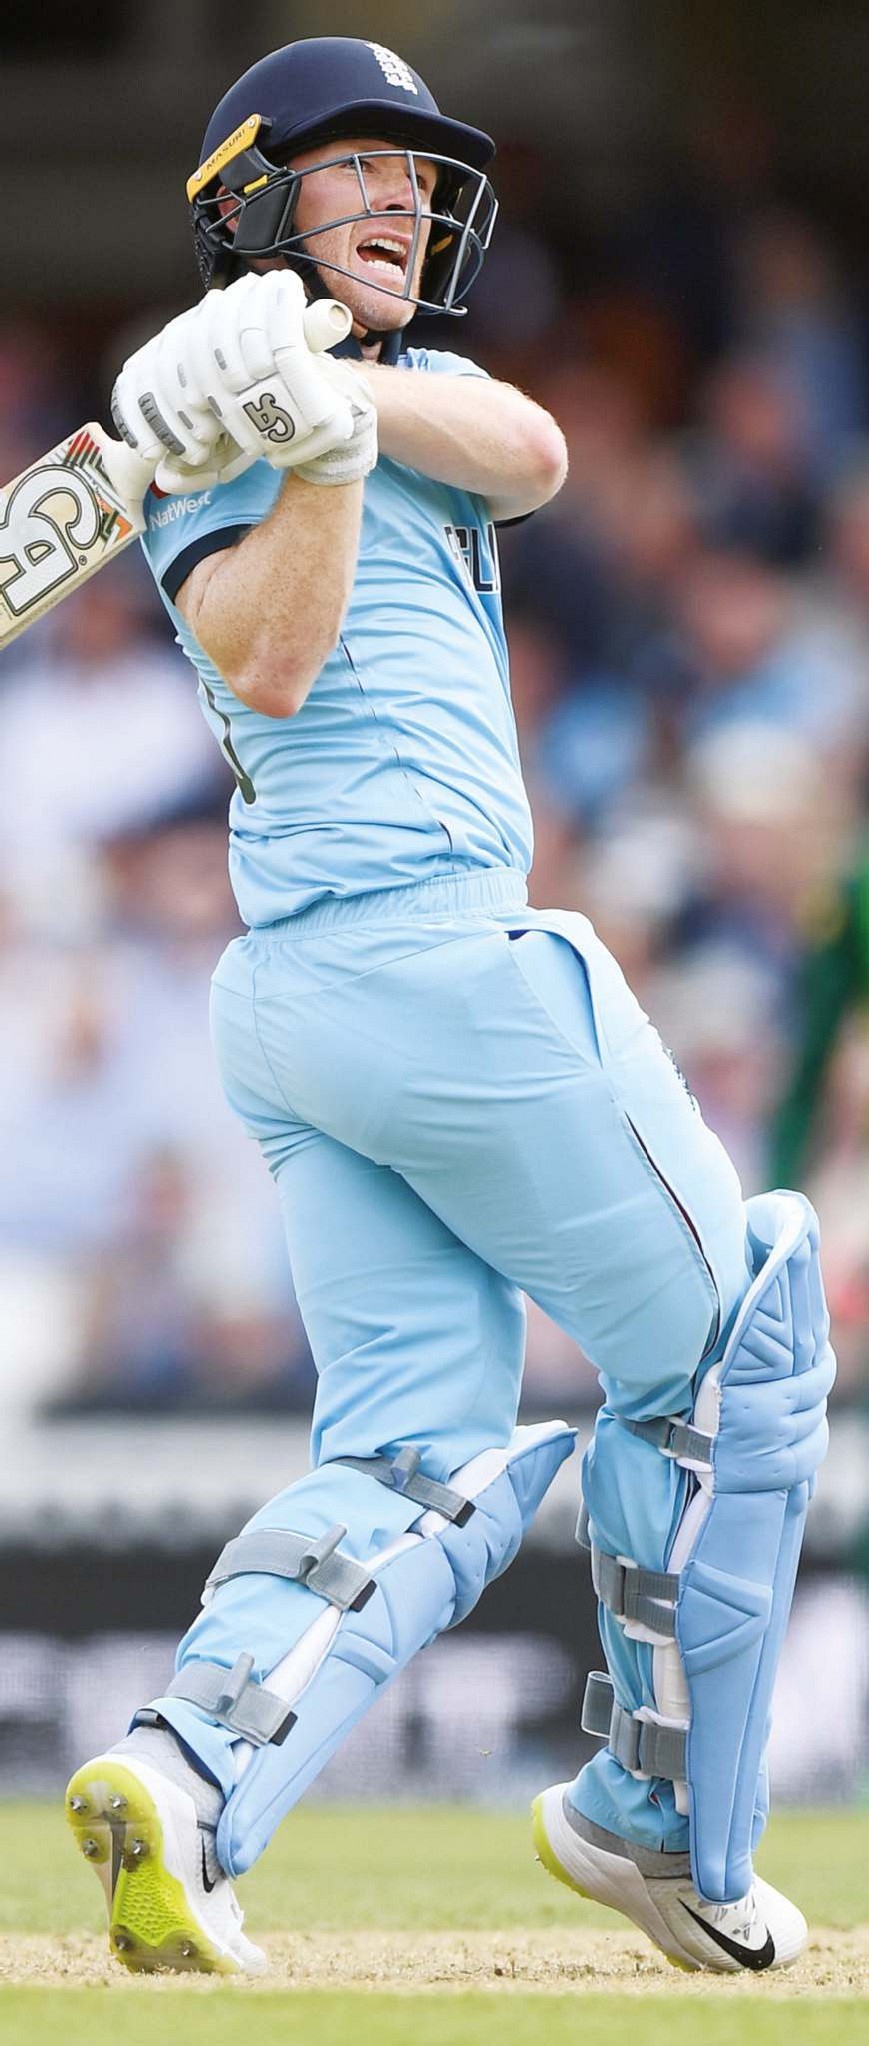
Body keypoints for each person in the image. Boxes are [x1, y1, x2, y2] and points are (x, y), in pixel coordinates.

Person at [65, 37, 834, 1979]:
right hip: (423, 959)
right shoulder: (206, 437)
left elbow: (539, 454)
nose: (407, 201)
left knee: (413, 1444)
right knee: (742, 1338)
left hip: (308, 1008)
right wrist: (309, 451)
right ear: (257, 200)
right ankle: (666, 1823)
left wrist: (329, 395)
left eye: (421, 175)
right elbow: (270, 659)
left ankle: (184, 1777)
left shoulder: (406, 387)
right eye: (361, 168)